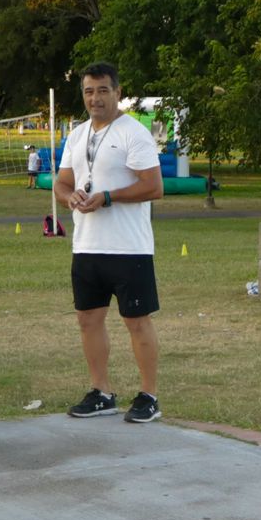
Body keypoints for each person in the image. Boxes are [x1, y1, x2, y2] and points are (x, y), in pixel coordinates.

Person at [55, 62, 166, 424]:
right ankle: (101, 391)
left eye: (103, 90)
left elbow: (154, 186)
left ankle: (149, 396)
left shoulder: (134, 133)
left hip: (128, 247)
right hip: (87, 245)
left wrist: (108, 197)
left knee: (136, 320)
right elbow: (62, 182)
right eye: (89, 91)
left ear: (117, 92)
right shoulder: (77, 134)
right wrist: (69, 197)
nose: (95, 98)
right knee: (88, 319)